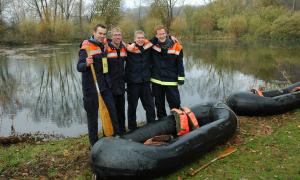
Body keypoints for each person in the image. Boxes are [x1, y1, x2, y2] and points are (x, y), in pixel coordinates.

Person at [77, 24, 120, 146]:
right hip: (91, 89)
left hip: (104, 86)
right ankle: (94, 143)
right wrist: (85, 63)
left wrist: (169, 37)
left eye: (103, 34)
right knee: (92, 117)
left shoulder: (105, 43)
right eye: (99, 33)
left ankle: (115, 135)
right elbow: (79, 67)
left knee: (112, 111)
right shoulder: (86, 47)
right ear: (94, 32)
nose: (102, 36)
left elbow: (117, 40)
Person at [150, 25, 185, 118]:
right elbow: (141, 44)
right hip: (156, 81)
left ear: (166, 34)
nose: (161, 36)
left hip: (171, 80)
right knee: (159, 104)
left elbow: (180, 64)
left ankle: (178, 123)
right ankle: (163, 125)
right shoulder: (153, 45)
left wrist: (181, 77)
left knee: (175, 103)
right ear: (156, 36)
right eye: (159, 34)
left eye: (163, 33)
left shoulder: (177, 46)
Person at [125, 30, 156, 131]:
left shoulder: (147, 47)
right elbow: (114, 41)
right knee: (132, 107)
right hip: (133, 83)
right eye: (138, 38)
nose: (140, 40)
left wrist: (171, 37)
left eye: (142, 37)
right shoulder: (129, 49)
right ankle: (132, 128)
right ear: (134, 39)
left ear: (145, 38)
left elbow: (159, 37)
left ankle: (151, 126)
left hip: (145, 82)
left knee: (150, 106)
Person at [106, 27, 127, 134]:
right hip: (110, 86)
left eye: (119, 35)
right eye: (115, 35)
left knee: (121, 110)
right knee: (112, 111)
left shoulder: (124, 47)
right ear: (111, 36)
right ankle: (113, 132)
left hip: (121, 85)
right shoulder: (106, 48)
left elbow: (138, 44)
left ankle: (123, 131)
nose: (117, 37)